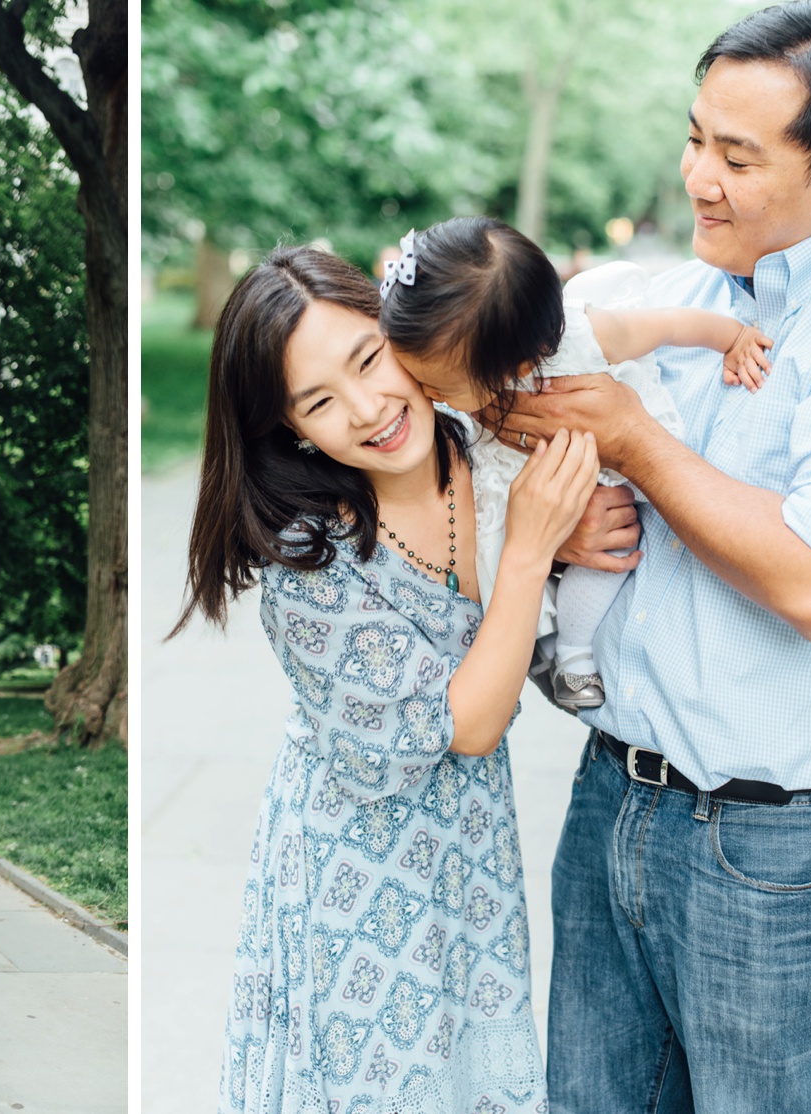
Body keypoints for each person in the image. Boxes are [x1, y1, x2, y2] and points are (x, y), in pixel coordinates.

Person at [487, 3, 811, 1108]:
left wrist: (631, 440)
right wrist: (559, 507)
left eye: (738, 155)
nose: (697, 174)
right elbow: (485, 399)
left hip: (777, 846)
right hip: (614, 799)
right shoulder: (689, 290)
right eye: (697, 135)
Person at [175, 246, 599, 1112]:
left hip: (471, 863)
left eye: (369, 360)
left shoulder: (483, 441)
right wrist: (528, 551)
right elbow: (468, 724)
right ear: (291, 427)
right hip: (360, 886)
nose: (368, 410)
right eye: (319, 402)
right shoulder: (308, 567)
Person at [379, 217, 771, 710]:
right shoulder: (455, 347)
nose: (427, 396)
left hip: (590, 475)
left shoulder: (591, 335)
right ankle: (532, 648)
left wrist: (733, 338)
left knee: (609, 551)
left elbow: (672, 324)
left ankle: (573, 652)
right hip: (506, 484)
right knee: (498, 564)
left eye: (440, 387)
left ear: (516, 369)